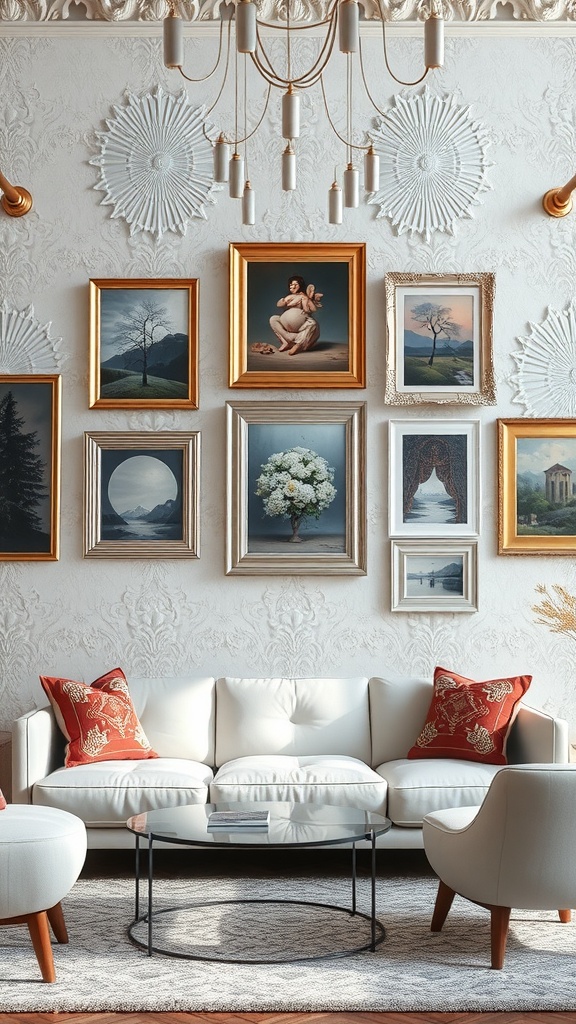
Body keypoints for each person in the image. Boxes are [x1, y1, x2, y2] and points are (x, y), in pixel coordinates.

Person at [269, 275, 323, 355]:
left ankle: (299, 344)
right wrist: (283, 301)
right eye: (291, 284)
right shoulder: (289, 296)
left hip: (301, 327)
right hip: (287, 328)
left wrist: (306, 298)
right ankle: (286, 340)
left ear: (300, 286)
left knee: (313, 324)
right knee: (273, 319)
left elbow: (313, 309)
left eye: (295, 284)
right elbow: (279, 305)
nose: (293, 286)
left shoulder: (303, 296)